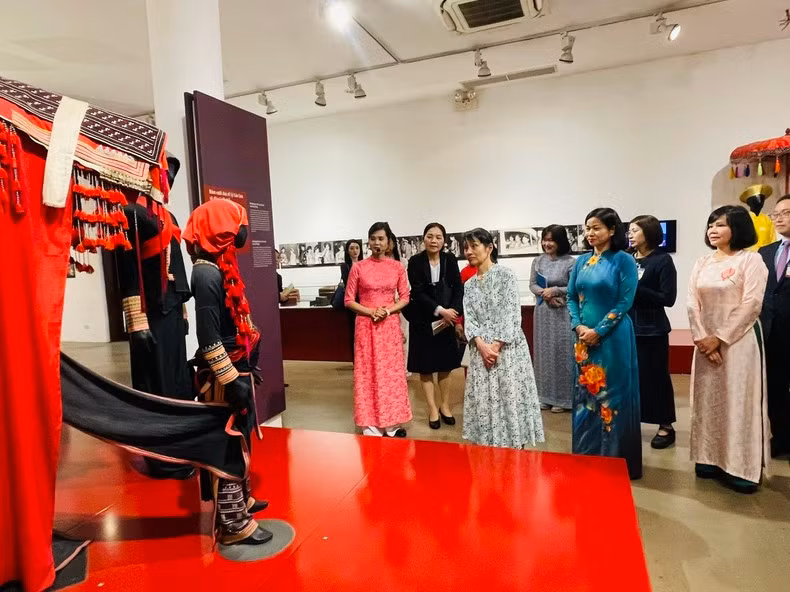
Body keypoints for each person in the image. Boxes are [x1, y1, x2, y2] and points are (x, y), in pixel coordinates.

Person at [184, 198, 272, 545]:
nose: (243, 232)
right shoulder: (206, 274)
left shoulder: (220, 267)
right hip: (224, 376)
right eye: (237, 224)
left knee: (241, 438)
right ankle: (234, 523)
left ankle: (243, 498)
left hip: (237, 368)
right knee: (228, 442)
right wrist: (231, 379)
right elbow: (208, 339)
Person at [688, 205, 769, 493]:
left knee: (738, 402)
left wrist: (719, 338)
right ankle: (708, 457)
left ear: (738, 228)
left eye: (720, 225)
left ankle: (740, 466)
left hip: (739, 342)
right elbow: (691, 303)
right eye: (711, 224)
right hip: (705, 343)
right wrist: (702, 338)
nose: (713, 230)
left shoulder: (752, 261)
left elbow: (751, 304)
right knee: (708, 401)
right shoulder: (702, 263)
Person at [568, 208, 641, 480]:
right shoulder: (581, 262)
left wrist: (599, 330)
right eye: (587, 228)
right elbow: (571, 297)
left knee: (613, 397)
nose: (590, 233)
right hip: (583, 339)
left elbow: (625, 302)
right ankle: (587, 456)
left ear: (612, 230)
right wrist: (578, 326)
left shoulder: (624, 261)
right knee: (585, 397)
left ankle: (614, 461)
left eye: (596, 228)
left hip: (613, 337)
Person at [462, 228, 544, 449]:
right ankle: (488, 445)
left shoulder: (505, 275)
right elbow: (470, 318)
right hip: (481, 351)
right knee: (485, 400)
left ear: (489, 248)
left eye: (474, 246)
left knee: (510, 397)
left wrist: (495, 346)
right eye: (466, 247)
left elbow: (511, 313)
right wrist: (480, 345)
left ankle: (514, 445)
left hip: (507, 349)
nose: (468, 251)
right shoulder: (468, 285)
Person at [345, 222, 412, 437]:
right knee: (368, 372)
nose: (377, 242)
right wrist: (370, 311)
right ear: (368, 241)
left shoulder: (397, 267)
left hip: (390, 325)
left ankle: (392, 424)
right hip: (366, 325)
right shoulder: (359, 267)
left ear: (388, 242)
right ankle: (370, 424)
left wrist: (388, 311)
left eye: (381, 238)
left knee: (391, 374)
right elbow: (348, 300)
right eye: (373, 238)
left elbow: (405, 297)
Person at [406, 223, 463, 429]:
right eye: (430, 236)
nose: (434, 240)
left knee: (445, 365)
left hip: (447, 321)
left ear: (444, 240)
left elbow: (458, 287)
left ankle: (445, 405)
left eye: (438, 237)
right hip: (423, 319)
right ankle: (432, 408)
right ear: (423, 239)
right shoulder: (415, 261)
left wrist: (454, 313)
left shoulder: (450, 259)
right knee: (426, 366)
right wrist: (440, 310)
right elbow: (418, 292)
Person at [628, 215, 678, 449]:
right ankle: (630, 422)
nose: (630, 234)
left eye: (635, 230)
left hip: (652, 329)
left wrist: (637, 289)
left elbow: (668, 298)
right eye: (629, 230)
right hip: (626, 328)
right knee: (630, 379)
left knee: (656, 377)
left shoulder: (662, 260)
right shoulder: (627, 259)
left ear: (649, 233)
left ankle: (665, 425)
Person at [529, 225, 575, 413]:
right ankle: (543, 396)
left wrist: (555, 290)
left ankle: (563, 400)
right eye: (544, 240)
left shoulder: (571, 262)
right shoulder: (537, 261)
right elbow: (532, 284)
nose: (546, 243)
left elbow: (574, 287)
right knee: (543, 355)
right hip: (543, 312)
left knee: (562, 354)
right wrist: (543, 293)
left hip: (562, 313)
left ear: (560, 241)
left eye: (551, 240)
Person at [760, 195, 790, 458]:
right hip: (770, 330)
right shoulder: (766, 252)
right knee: (775, 387)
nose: (779, 218)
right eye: (776, 214)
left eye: (786, 213)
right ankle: (780, 438)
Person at [340, 239, 364, 352]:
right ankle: (355, 359)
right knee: (353, 331)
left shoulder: (365, 264)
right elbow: (347, 282)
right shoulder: (345, 266)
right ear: (347, 250)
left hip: (364, 301)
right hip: (352, 302)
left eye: (357, 248)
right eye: (352, 248)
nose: (355, 251)